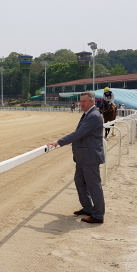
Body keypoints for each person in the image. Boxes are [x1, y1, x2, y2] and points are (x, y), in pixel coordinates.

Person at [47, 91, 106, 224]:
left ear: (92, 101)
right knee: (79, 181)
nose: (81, 104)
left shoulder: (94, 116)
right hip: (83, 156)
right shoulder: (88, 114)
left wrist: (59, 142)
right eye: (80, 101)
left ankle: (98, 215)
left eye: (84, 101)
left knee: (93, 186)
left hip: (90, 156)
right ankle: (88, 208)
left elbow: (79, 133)